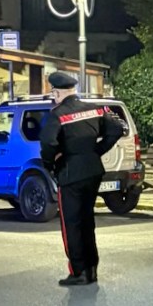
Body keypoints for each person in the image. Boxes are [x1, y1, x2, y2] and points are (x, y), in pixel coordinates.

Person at [40, 72, 124, 288]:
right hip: (93, 170)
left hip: (70, 173)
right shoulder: (95, 108)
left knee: (72, 224)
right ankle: (92, 269)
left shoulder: (57, 115)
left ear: (57, 92)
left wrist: (50, 164)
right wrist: (97, 150)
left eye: (53, 93)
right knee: (87, 221)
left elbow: (48, 143)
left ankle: (79, 272)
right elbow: (117, 128)